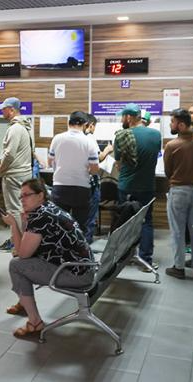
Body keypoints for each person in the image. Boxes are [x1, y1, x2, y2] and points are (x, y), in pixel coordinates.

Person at [3, 178, 94, 337]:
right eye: (21, 196)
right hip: (84, 268)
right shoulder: (48, 208)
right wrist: (24, 223)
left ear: (40, 195)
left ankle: (35, 323)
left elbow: (22, 253)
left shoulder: (40, 216)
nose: (22, 199)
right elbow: (29, 244)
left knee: (16, 265)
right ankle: (24, 302)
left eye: (27, 195)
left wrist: (13, 225)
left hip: (76, 274)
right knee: (21, 263)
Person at [106, 103, 161, 266]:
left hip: (127, 186)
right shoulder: (156, 135)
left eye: (122, 116)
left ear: (129, 117)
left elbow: (118, 164)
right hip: (148, 186)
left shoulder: (121, 136)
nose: (121, 120)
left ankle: (125, 257)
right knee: (146, 221)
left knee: (126, 222)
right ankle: (146, 260)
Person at [163, 108, 193, 279]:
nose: (171, 125)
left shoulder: (172, 145)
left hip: (178, 191)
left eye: (173, 122)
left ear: (181, 125)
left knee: (177, 231)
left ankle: (179, 267)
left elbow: (168, 172)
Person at [47, 111, 99, 233]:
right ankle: (77, 245)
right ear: (85, 124)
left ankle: (60, 245)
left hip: (60, 187)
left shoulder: (57, 138)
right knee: (80, 227)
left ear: (69, 122)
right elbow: (95, 170)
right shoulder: (89, 141)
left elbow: (49, 162)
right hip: (81, 189)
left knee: (59, 225)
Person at [0, 97, 33, 252]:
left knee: (14, 210)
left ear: (11, 110)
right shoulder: (26, 126)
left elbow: (9, 154)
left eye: (3, 109)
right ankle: (19, 241)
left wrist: (0, 170)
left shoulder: (15, 128)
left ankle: (18, 244)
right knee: (21, 209)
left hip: (14, 174)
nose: (1, 111)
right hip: (24, 173)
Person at [83, 114, 112, 243]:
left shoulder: (74, 138)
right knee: (90, 216)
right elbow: (98, 158)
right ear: (91, 125)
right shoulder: (89, 138)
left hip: (79, 183)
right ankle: (87, 244)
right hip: (91, 182)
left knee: (81, 216)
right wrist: (107, 150)